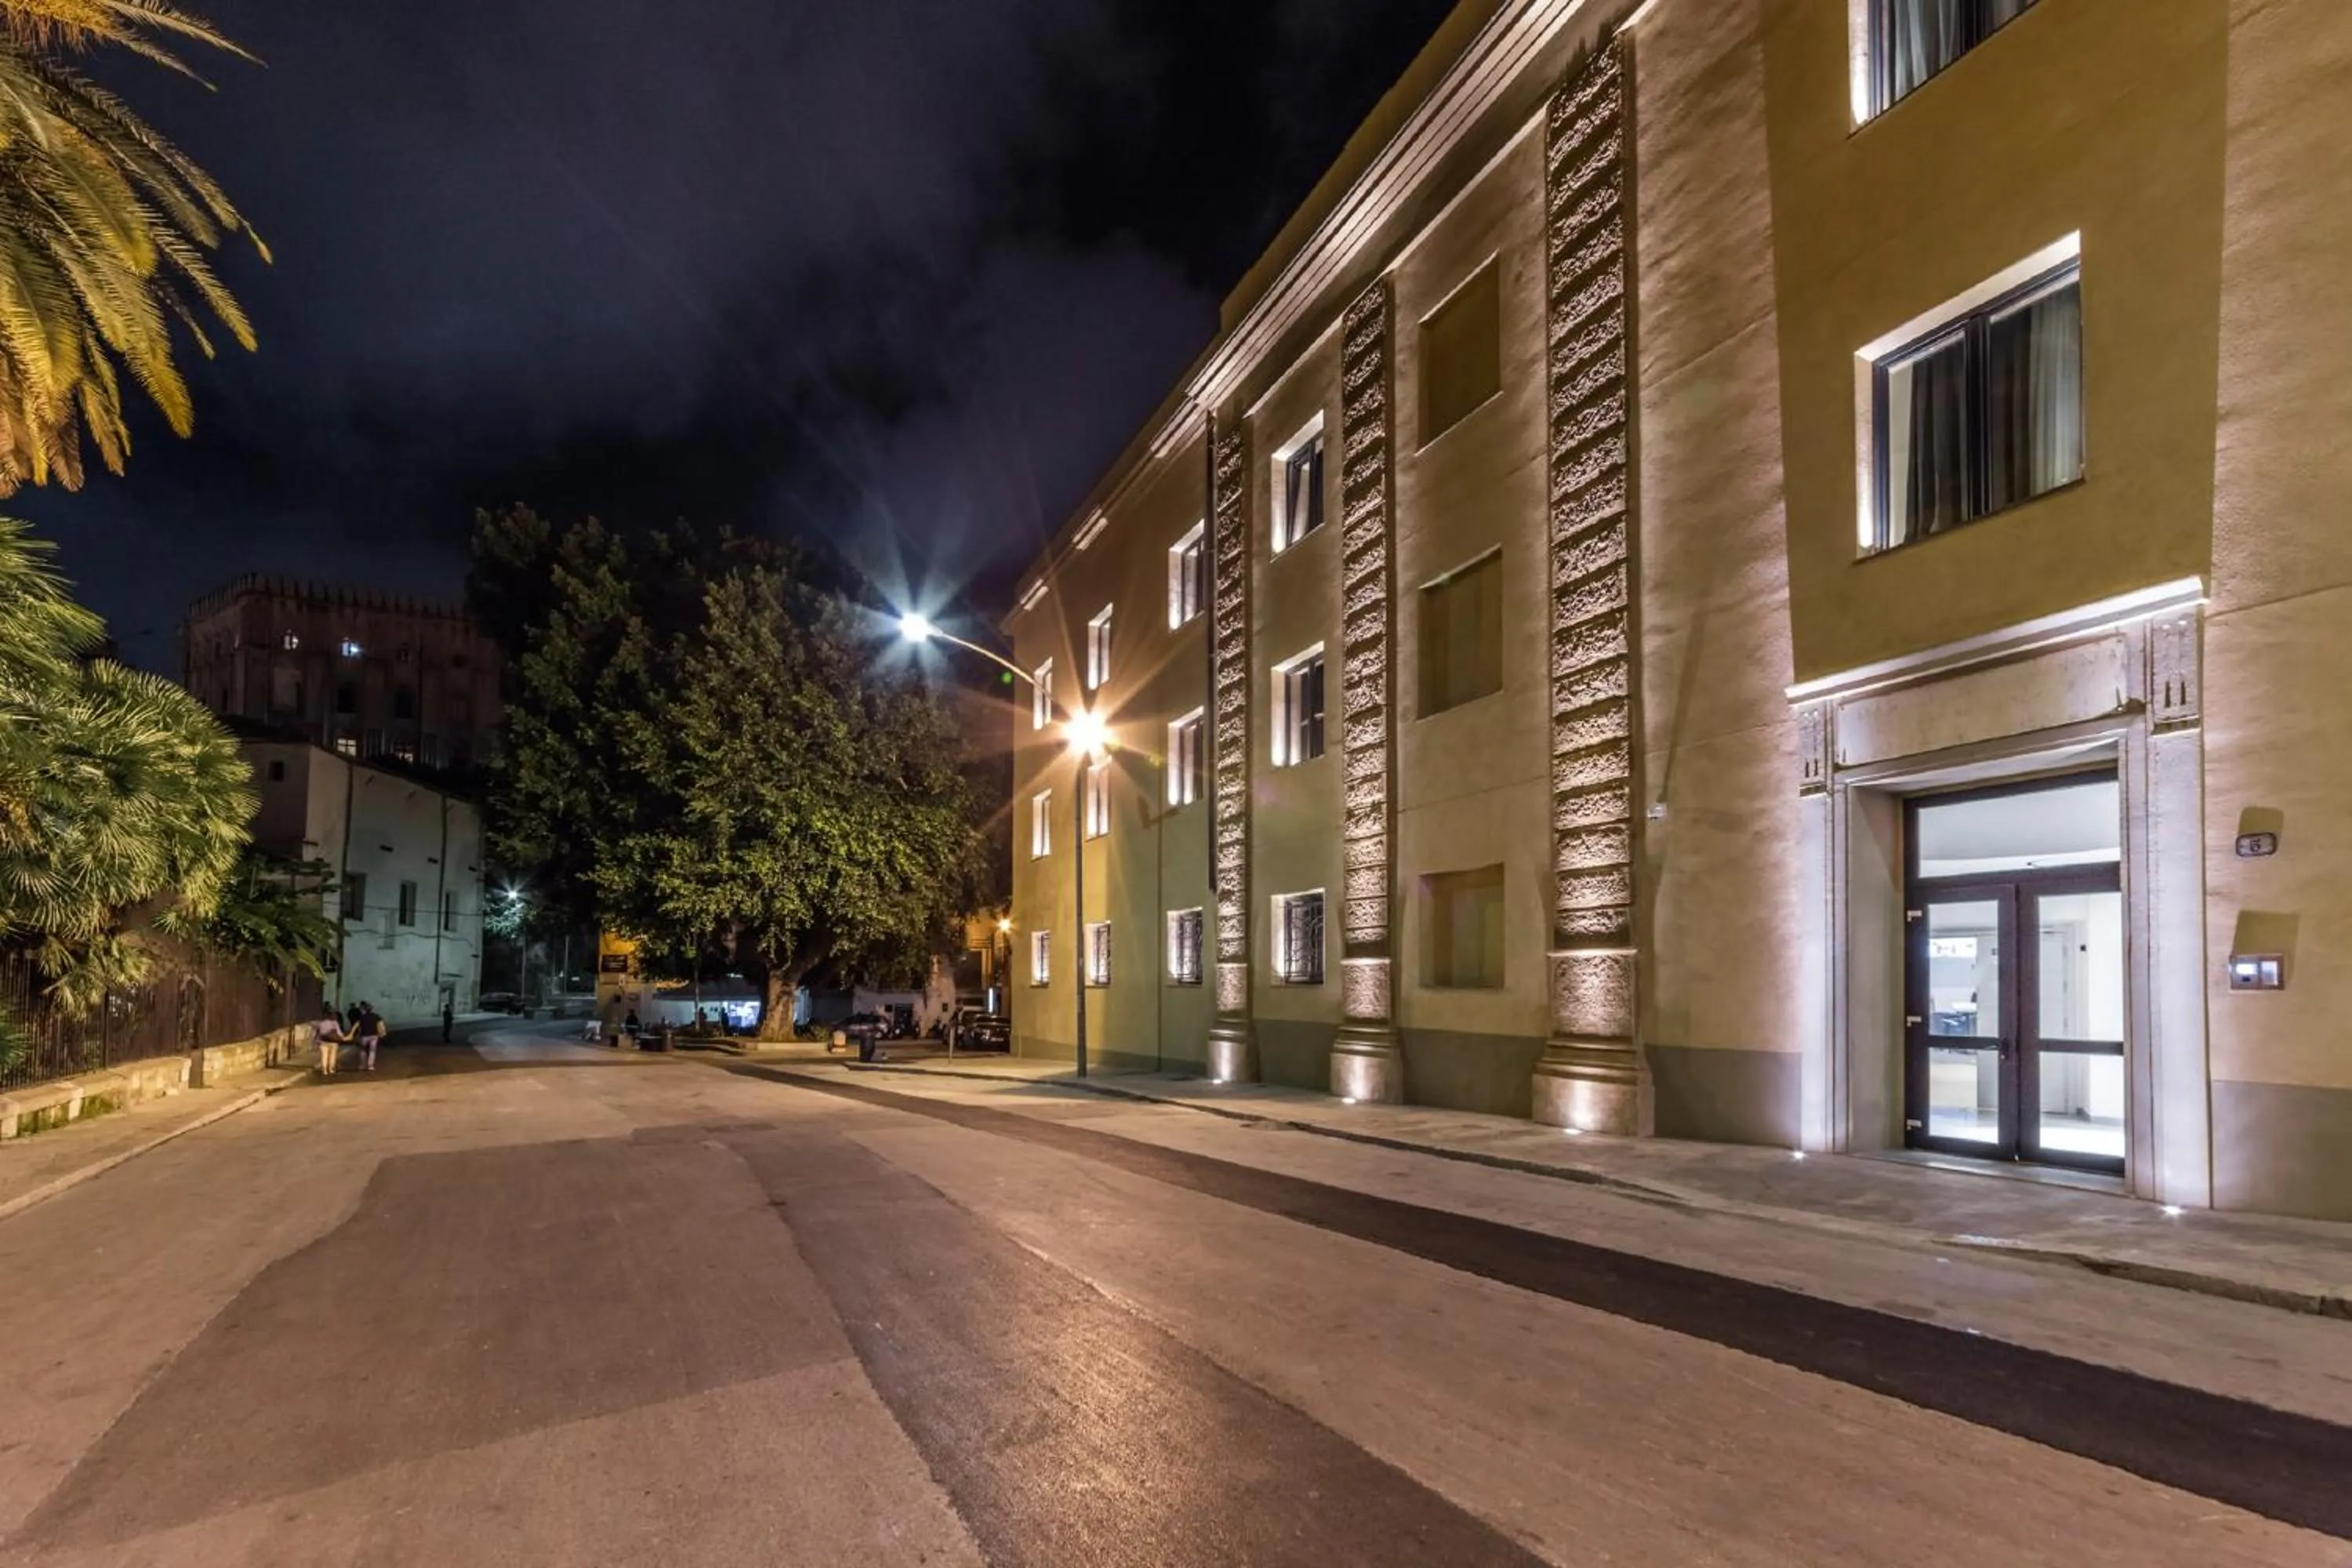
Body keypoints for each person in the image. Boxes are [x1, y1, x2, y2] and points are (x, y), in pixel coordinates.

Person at [314, 1004, 348, 1076]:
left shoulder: (320, 1023)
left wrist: (316, 1041)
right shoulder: (335, 1023)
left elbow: (317, 1033)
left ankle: (324, 1070)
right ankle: (331, 1069)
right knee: (332, 1056)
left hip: (323, 1042)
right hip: (333, 1042)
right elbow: (339, 1032)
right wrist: (343, 1037)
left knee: (324, 1056)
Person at [353, 1001, 386, 1072]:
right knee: (372, 1051)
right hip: (374, 1035)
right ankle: (370, 1066)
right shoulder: (376, 1016)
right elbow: (381, 1025)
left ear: (365, 1009)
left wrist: (353, 1034)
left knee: (362, 1050)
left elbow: (357, 1026)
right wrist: (382, 1033)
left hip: (364, 1035)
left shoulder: (361, 1017)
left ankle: (363, 1065)